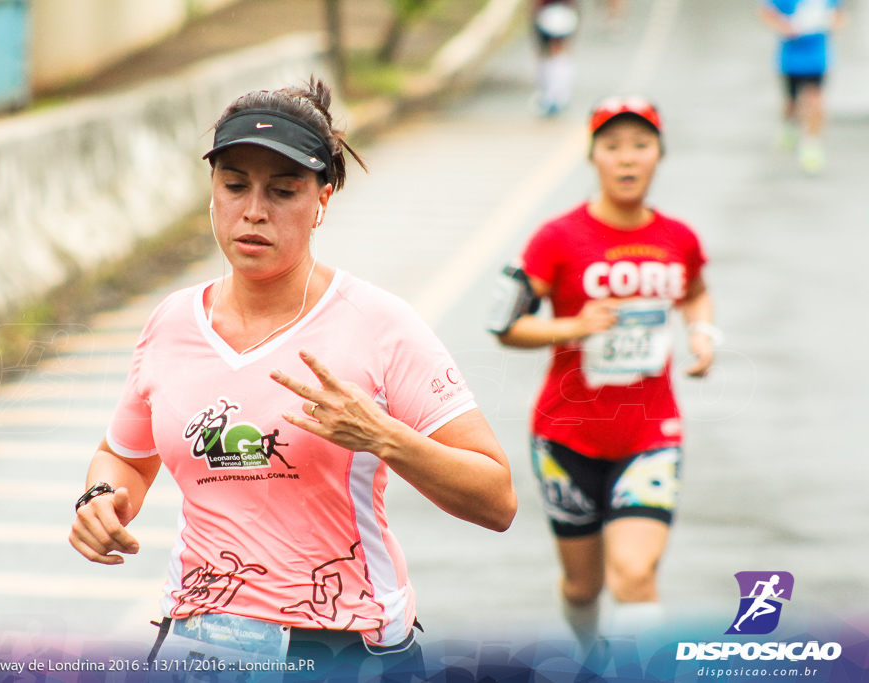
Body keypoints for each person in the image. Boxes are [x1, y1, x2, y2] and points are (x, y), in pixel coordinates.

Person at [68, 77, 517, 680]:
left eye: (283, 191)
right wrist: (101, 499)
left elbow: (497, 500)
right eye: (234, 186)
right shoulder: (171, 322)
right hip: (199, 640)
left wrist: (383, 435)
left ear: (322, 202)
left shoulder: (379, 325)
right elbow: (123, 456)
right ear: (212, 194)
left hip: (344, 647)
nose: (254, 211)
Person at [493, 96, 720, 652]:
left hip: (650, 432)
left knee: (635, 574)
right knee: (584, 585)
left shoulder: (679, 238)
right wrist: (575, 326)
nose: (627, 158)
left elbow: (695, 292)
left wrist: (703, 334)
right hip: (565, 434)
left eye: (640, 145)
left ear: (658, 155)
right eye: (612, 146)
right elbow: (506, 327)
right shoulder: (557, 238)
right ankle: (591, 657)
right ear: (593, 156)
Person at [758, 0, 845, 174]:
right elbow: (765, 12)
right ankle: (789, 126)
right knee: (792, 104)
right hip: (791, 60)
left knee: (815, 100)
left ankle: (811, 144)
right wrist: (783, 27)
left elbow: (840, 16)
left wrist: (831, 23)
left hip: (817, 59)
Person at [531, 0, 580, 116]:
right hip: (563, 13)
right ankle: (558, 95)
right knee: (557, 53)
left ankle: (554, 96)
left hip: (552, 14)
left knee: (553, 53)